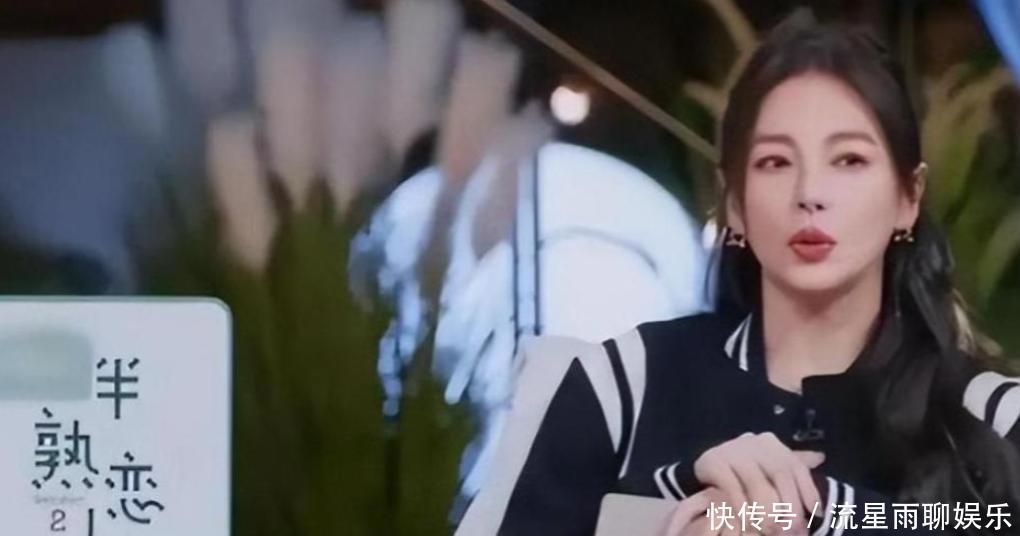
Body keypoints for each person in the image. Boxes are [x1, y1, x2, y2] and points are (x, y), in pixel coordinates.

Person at [455, 9, 1020, 536]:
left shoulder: (992, 411)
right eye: (775, 162)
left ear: (908, 197)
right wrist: (678, 515)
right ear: (735, 205)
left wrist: (824, 513)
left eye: (849, 160)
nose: (810, 193)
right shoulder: (621, 386)